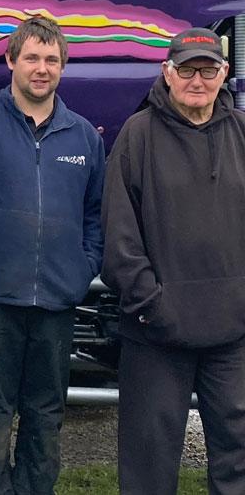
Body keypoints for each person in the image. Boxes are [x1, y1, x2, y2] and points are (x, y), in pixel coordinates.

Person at [0, 16, 105, 495]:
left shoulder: (83, 137)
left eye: (51, 60)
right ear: (11, 61)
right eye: (32, 58)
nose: (41, 68)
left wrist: (83, 266)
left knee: (45, 416)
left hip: (57, 300)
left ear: (62, 67)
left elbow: (95, 215)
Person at [102, 27, 245, 495]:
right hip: (155, 332)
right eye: (187, 69)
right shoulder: (136, 136)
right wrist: (153, 304)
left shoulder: (242, 134)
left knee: (238, 459)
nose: (197, 80)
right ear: (167, 73)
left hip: (234, 335)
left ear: (224, 74)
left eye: (208, 69)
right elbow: (119, 236)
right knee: (148, 465)